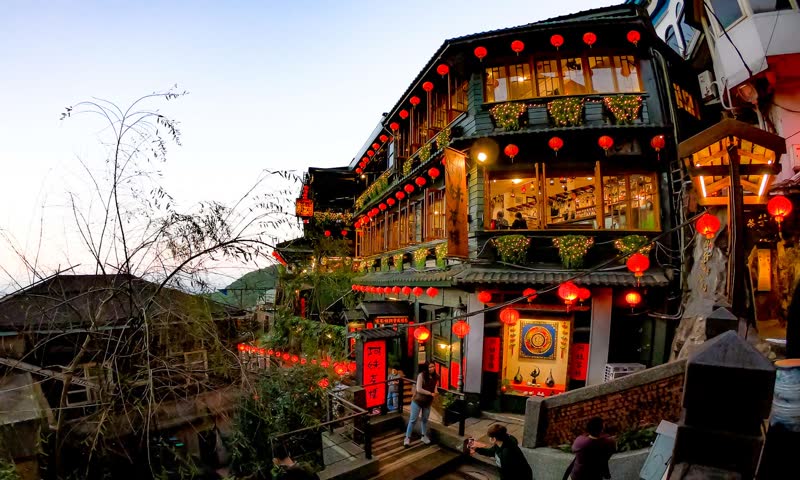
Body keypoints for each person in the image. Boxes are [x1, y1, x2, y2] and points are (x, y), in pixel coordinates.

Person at [404, 361, 439, 447]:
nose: (432, 368)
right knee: (413, 420)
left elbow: (435, 386)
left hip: (427, 402)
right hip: (418, 401)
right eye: (430, 367)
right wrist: (430, 393)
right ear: (426, 368)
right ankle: (407, 438)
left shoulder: (436, 376)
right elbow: (419, 389)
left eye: (433, 367)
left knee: (425, 420)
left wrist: (435, 392)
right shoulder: (421, 375)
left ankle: (424, 436)